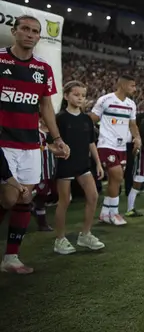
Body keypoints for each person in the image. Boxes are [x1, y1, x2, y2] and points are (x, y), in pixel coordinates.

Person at [0, 15, 70, 274]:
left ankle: (10, 258)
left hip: (30, 145)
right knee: (8, 197)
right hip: (4, 142)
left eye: (35, 31)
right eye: (25, 29)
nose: (30, 34)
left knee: (24, 198)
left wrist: (57, 139)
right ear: (14, 31)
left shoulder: (43, 69)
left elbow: (46, 107)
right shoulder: (0, 59)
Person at [52, 81, 106, 254]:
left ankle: (85, 234)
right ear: (66, 96)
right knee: (64, 201)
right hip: (65, 165)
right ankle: (60, 239)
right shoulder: (59, 118)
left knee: (93, 196)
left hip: (83, 164)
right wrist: (57, 152)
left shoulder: (86, 119)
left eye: (83, 95)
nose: (80, 98)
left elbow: (91, 143)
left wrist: (98, 163)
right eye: (76, 94)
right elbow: (50, 143)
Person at [90, 75, 141, 226]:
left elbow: (132, 124)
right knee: (117, 175)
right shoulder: (105, 100)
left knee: (116, 179)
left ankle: (106, 213)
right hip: (106, 144)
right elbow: (91, 119)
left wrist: (137, 138)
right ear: (123, 85)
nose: (135, 89)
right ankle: (114, 213)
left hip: (121, 146)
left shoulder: (131, 104)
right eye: (132, 86)